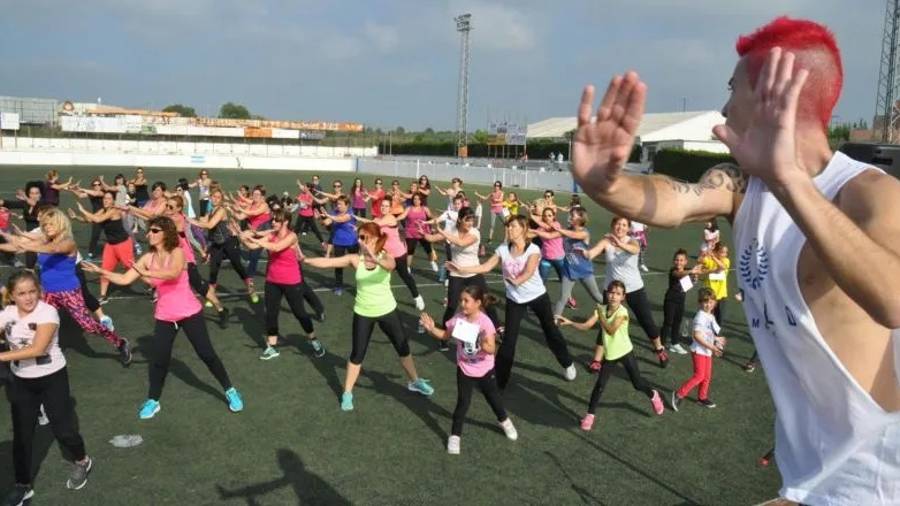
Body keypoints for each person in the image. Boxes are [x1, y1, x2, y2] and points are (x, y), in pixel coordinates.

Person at [568, 17, 900, 503]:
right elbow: (675, 199)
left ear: (775, 95)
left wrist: (789, 179)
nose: (724, 107)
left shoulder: (870, 194)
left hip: (877, 478)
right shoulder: (741, 186)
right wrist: (607, 184)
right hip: (808, 475)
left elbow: (893, 298)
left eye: (732, 89)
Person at [83, 216, 243, 419]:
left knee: (207, 354)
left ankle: (230, 390)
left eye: (155, 230)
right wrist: (102, 271)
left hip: (189, 313)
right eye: (150, 230)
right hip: (165, 316)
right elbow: (124, 278)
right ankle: (153, 400)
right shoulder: (147, 258)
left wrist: (146, 273)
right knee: (159, 360)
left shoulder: (177, 252)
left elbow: (174, 273)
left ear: (166, 233)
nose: (149, 234)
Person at [303, 222, 435, 411]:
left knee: (403, 347)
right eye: (360, 237)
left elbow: (390, 266)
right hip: (363, 313)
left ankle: (415, 381)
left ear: (374, 238)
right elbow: (328, 262)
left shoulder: (386, 256)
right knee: (357, 354)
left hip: (388, 310)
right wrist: (306, 260)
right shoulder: (355, 259)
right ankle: (347, 392)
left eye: (364, 237)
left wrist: (372, 254)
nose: (360, 241)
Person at [449, 215, 576, 389]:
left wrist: (518, 281)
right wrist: (461, 268)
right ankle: (500, 382)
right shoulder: (503, 249)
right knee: (508, 341)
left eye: (513, 226)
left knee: (550, 331)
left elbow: (530, 270)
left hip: (538, 296)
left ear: (523, 229)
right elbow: (486, 267)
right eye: (508, 226)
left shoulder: (534, 249)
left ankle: (567, 362)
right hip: (515, 300)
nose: (509, 229)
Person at [0, 270, 94, 504]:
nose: (28, 298)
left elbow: (38, 349)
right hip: (21, 380)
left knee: (64, 430)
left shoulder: (48, 312)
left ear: (39, 292)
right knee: (22, 436)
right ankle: (23, 484)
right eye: (21, 293)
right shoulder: (8, 313)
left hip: (52, 378)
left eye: (32, 291)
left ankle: (82, 460)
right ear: (12, 296)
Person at [0, 209, 132, 365]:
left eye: (51, 224)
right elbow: (16, 246)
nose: (47, 227)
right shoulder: (44, 240)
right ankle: (34, 349)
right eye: (45, 224)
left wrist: (26, 244)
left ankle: (120, 343)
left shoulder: (68, 242)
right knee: (37, 320)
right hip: (47, 292)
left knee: (88, 326)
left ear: (60, 224)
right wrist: (9, 241)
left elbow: (52, 249)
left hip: (69, 292)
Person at [419, 285, 518, 455]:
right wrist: (431, 328)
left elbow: (491, 349)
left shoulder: (485, 322)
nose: (463, 304)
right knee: (463, 403)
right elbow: (445, 335)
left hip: (485, 369)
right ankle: (455, 436)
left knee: (494, 399)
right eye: (461, 301)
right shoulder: (458, 320)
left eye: (467, 301)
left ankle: (504, 421)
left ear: (478, 303)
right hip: (465, 368)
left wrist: (479, 341)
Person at [557, 280, 665, 430]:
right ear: (607, 293)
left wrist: (600, 315)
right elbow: (587, 326)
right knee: (600, 385)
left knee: (638, 383)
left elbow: (610, 330)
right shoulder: (601, 309)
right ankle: (589, 416)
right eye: (611, 292)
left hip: (625, 352)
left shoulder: (622, 312)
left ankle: (653, 394)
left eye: (618, 294)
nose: (614, 296)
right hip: (610, 355)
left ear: (623, 297)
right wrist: (569, 322)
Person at [235, 209, 325, 361]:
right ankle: (272, 346)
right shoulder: (272, 235)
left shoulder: (292, 236)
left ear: (286, 222)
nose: (273, 222)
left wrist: (256, 238)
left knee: (300, 313)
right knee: (271, 313)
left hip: (292, 281)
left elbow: (276, 247)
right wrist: (241, 236)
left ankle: (314, 340)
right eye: (273, 220)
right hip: (272, 281)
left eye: (276, 220)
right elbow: (252, 247)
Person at [583, 216, 669, 367]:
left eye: (624, 225)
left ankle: (659, 349)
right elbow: (592, 253)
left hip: (634, 288)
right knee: (605, 323)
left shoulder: (633, 240)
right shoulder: (606, 241)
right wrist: (583, 253)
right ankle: (597, 360)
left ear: (628, 228)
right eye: (617, 224)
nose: (620, 227)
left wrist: (619, 244)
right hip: (612, 291)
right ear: (612, 226)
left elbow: (635, 250)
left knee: (646, 320)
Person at [422, 207, 500, 349]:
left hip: (473, 272)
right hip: (456, 274)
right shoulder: (451, 231)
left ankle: (498, 329)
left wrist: (441, 231)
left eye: (472, 220)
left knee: (486, 301)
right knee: (452, 306)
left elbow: (461, 243)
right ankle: (445, 336)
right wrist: (423, 233)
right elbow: (432, 238)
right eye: (467, 219)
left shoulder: (475, 232)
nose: (470, 223)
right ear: (459, 219)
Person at [188, 188, 258, 304]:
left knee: (238, 267)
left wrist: (192, 221)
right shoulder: (210, 209)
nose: (215, 199)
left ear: (221, 200)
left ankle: (251, 288)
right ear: (210, 197)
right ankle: (211, 294)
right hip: (217, 244)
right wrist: (194, 221)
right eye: (213, 197)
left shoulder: (221, 210)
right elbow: (204, 220)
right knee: (213, 270)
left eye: (218, 197)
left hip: (229, 242)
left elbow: (210, 225)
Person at [356, 200, 425, 311]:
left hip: (398, 253)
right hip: (385, 255)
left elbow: (373, 225)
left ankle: (417, 297)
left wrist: (362, 225)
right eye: (382, 205)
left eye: (386, 206)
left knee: (405, 276)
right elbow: (372, 224)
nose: (383, 207)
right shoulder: (377, 219)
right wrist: (359, 221)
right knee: (379, 275)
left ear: (390, 208)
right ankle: (377, 298)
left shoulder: (390, 218)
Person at [72, 191, 135, 304]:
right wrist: (76, 217)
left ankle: (153, 286)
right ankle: (103, 295)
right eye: (104, 198)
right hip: (110, 245)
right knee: (105, 269)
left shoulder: (114, 211)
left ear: (113, 201)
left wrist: (82, 210)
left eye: (109, 198)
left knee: (132, 268)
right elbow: (91, 220)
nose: (106, 200)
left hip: (123, 244)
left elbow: (98, 220)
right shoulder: (103, 210)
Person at [672, 288, 726, 411]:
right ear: (700, 303)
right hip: (699, 351)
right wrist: (713, 347)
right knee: (699, 376)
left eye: (711, 302)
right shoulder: (700, 317)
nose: (708, 304)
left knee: (707, 376)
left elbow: (710, 332)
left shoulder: (710, 316)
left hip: (706, 350)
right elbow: (697, 335)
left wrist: (717, 339)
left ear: (715, 303)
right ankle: (679, 394)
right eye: (705, 302)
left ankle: (702, 397)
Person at [551, 208, 605, 316]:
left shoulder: (584, 233)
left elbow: (573, 235)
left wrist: (559, 229)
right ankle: (553, 323)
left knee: (596, 296)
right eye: (570, 215)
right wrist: (534, 232)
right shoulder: (567, 230)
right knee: (563, 298)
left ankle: (614, 310)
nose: (570, 217)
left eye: (573, 215)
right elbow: (550, 236)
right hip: (569, 271)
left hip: (584, 270)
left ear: (581, 218)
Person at [317, 195, 358, 296]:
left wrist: (328, 215)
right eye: (337, 204)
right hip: (338, 243)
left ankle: (362, 285)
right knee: (338, 266)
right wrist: (320, 219)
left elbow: (340, 219)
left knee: (358, 265)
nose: (338, 206)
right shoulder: (334, 212)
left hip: (352, 242)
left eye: (340, 204)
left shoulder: (350, 213)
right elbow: (327, 222)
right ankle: (339, 286)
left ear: (347, 205)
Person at [661, 249, 700, 355]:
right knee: (668, 322)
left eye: (681, 260)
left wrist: (695, 277)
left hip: (681, 301)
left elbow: (691, 282)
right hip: (670, 301)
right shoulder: (673, 271)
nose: (679, 262)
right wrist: (692, 272)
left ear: (686, 261)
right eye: (677, 260)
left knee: (677, 322)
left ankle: (675, 343)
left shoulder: (688, 270)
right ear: (674, 261)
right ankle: (661, 345)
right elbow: (680, 274)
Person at [402, 193, 438, 273]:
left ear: (421, 200)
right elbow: (402, 216)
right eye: (415, 199)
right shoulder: (409, 208)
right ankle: (408, 267)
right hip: (411, 233)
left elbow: (430, 215)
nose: (416, 201)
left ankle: (432, 262)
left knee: (428, 249)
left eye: (418, 199)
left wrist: (437, 218)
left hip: (423, 232)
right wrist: (395, 218)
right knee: (410, 251)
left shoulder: (425, 208)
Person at [697, 243, 730, 328]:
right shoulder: (709, 260)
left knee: (719, 317)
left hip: (721, 294)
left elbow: (722, 267)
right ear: (716, 252)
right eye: (721, 252)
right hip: (709, 295)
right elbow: (700, 260)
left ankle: (716, 335)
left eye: (725, 253)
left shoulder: (726, 261)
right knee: (707, 315)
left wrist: (713, 257)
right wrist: (703, 254)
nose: (723, 254)